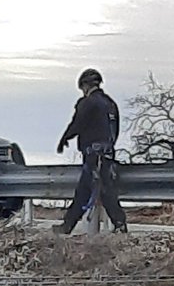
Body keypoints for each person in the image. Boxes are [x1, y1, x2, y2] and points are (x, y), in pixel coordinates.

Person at [54, 68, 127, 236]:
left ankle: (120, 225)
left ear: (84, 86)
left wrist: (64, 139)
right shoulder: (111, 103)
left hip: (93, 156)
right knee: (96, 190)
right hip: (108, 153)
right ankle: (67, 226)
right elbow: (115, 129)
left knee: (97, 191)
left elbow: (77, 123)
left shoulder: (87, 103)